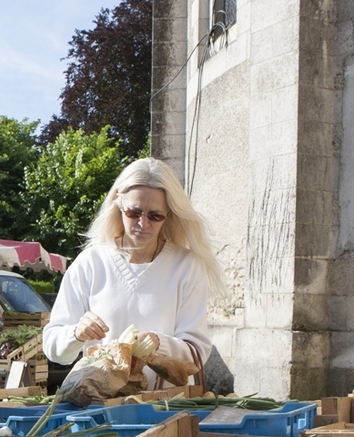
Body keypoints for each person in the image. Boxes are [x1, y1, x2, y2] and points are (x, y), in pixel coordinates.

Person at [43, 157, 226, 389]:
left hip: (165, 405)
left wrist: (158, 343)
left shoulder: (186, 266)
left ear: (168, 215)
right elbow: (52, 348)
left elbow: (196, 353)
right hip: (101, 403)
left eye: (155, 216)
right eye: (134, 212)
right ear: (119, 206)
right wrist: (76, 333)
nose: (143, 223)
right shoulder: (91, 263)